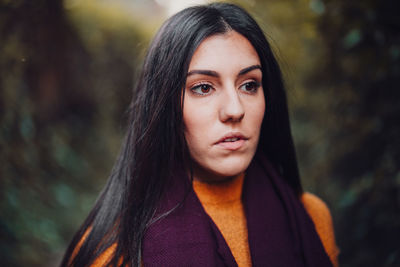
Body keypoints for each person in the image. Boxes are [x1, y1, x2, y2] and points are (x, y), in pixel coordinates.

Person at [61, 2, 339, 267]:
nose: (234, 109)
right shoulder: (112, 251)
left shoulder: (311, 218)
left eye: (249, 85)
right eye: (203, 87)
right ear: (165, 105)